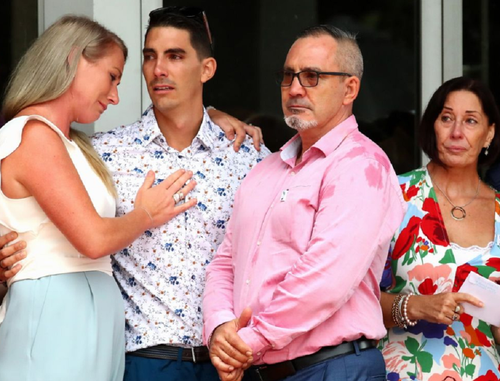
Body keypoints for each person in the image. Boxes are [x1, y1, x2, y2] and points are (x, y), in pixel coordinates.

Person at [203, 25, 406, 381]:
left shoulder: (362, 165)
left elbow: (324, 279)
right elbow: (225, 261)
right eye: (288, 76)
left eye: (312, 76)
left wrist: (250, 341)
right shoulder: (265, 168)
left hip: (332, 368)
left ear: (350, 88)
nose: (295, 88)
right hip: (260, 367)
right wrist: (220, 329)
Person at [0, 15, 198, 381]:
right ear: (74, 58)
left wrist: (214, 115)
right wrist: (145, 215)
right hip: (56, 312)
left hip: (88, 314)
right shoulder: (33, 136)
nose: (115, 96)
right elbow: (93, 240)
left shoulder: (74, 145)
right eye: (111, 76)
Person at [89, 6, 269, 381]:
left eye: (175, 56)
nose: (159, 69)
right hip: (146, 361)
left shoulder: (249, 157)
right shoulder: (105, 153)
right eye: (150, 56)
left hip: (233, 362)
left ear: (207, 69)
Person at [379, 76, 500, 381]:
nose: (457, 132)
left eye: (470, 121)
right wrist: (415, 306)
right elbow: (350, 300)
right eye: (447, 118)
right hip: (404, 373)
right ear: (433, 126)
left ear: (489, 134)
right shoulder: (394, 194)